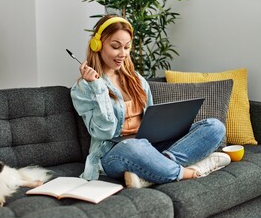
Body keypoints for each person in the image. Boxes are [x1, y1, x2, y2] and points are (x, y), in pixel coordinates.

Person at [70, 15, 231, 188]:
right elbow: (104, 132)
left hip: (150, 146)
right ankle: (187, 172)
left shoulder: (136, 79)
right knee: (132, 146)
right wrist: (98, 88)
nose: (122, 54)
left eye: (126, 47)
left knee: (215, 127)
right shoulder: (83, 89)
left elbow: (151, 119)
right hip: (115, 153)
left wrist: (168, 128)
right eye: (115, 47)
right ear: (98, 45)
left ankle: (155, 169)